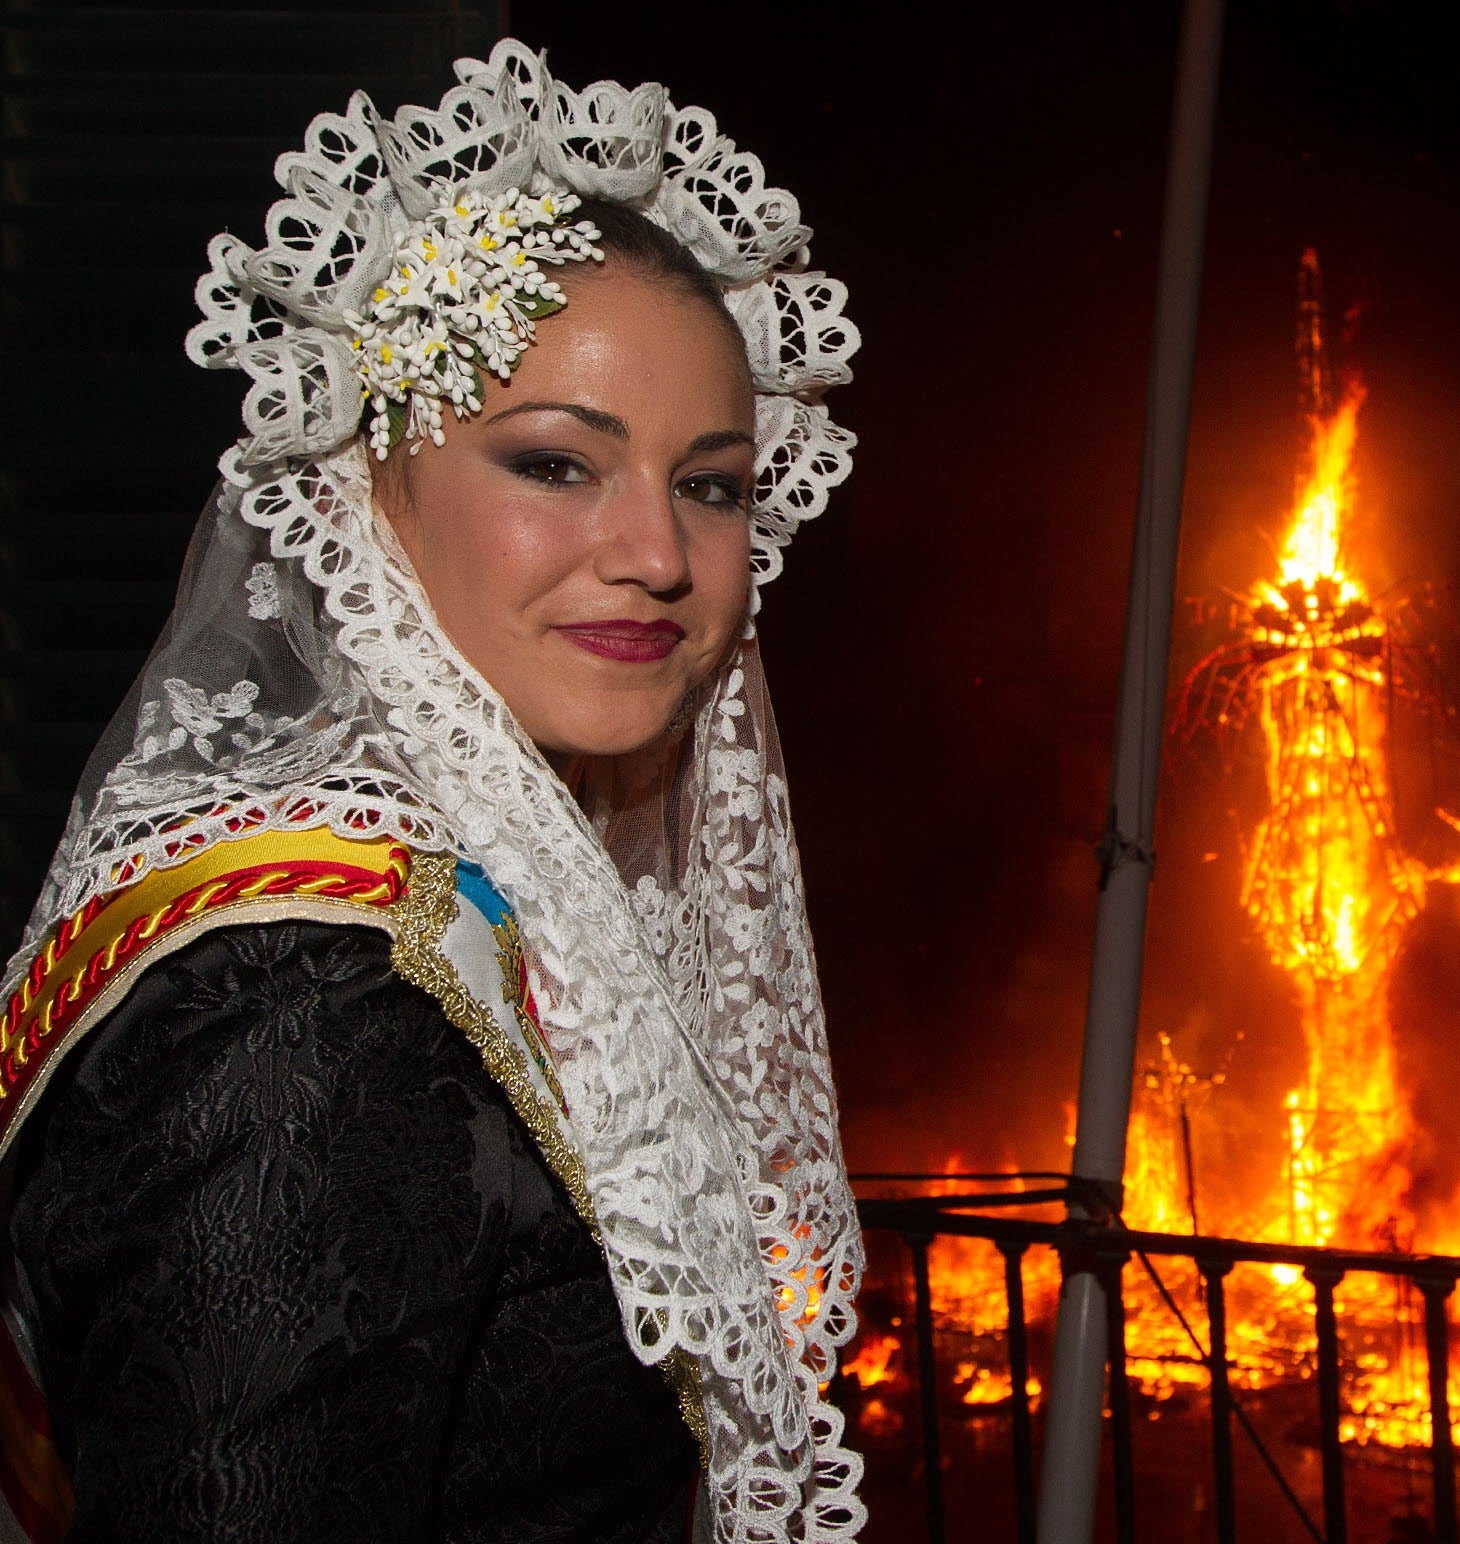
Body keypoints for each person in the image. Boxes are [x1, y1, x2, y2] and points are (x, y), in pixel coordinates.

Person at [0, 40, 865, 1543]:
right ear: (360, 488)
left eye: (713, 483)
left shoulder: (529, 911)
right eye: (556, 463)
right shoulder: (311, 1005)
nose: (660, 554)